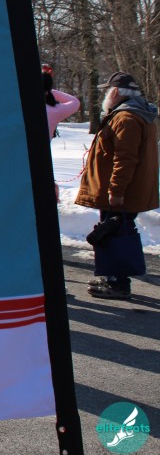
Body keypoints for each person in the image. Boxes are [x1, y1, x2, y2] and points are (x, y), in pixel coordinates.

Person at [75, 71, 159, 299]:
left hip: (122, 192)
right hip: (128, 190)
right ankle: (112, 278)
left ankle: (118, 284)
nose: (105, 96)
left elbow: (125, 160)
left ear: (115, 92)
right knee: (115, 232)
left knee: (114, 235)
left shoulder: (126, 118)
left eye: (107, 91)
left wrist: (116, 190)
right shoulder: (135, 114)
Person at [43, 66, 80, 200]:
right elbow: (75, 102)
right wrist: (48, 87)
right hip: (42, 159)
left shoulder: (17, 108)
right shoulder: (54, 111)